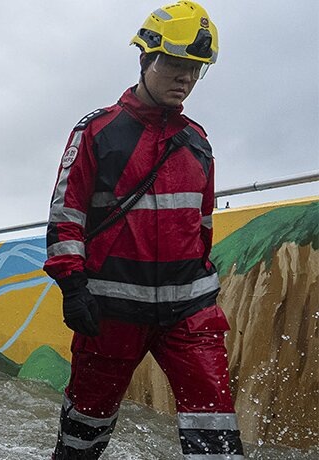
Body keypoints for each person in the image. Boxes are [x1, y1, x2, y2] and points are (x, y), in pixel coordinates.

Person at [43, 2, 243, 458]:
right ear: (145, 58)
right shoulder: (97, 132)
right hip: (109, 312)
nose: (186, 78)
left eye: (195, 69)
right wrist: (72, 285)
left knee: (216, 435)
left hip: (189, 311)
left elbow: (202, 226)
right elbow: (66, 216)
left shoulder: (198, 141)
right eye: (175, 64)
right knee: (82, 434)